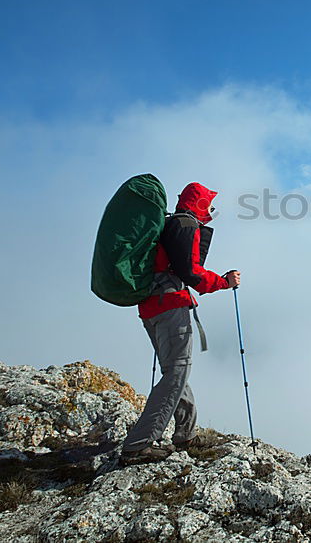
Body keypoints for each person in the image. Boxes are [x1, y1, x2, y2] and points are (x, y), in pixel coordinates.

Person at [119, 181, 241, 466]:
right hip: (171, 305)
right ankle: (139, 444)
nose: (212, 210)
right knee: (176, 373)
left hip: (152, 306)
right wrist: (224, 282)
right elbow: (191, 271)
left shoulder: (169, 224)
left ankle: (185, 434)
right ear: (199, 203)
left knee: (175, 371)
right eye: (209, 204)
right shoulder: (186, 226)